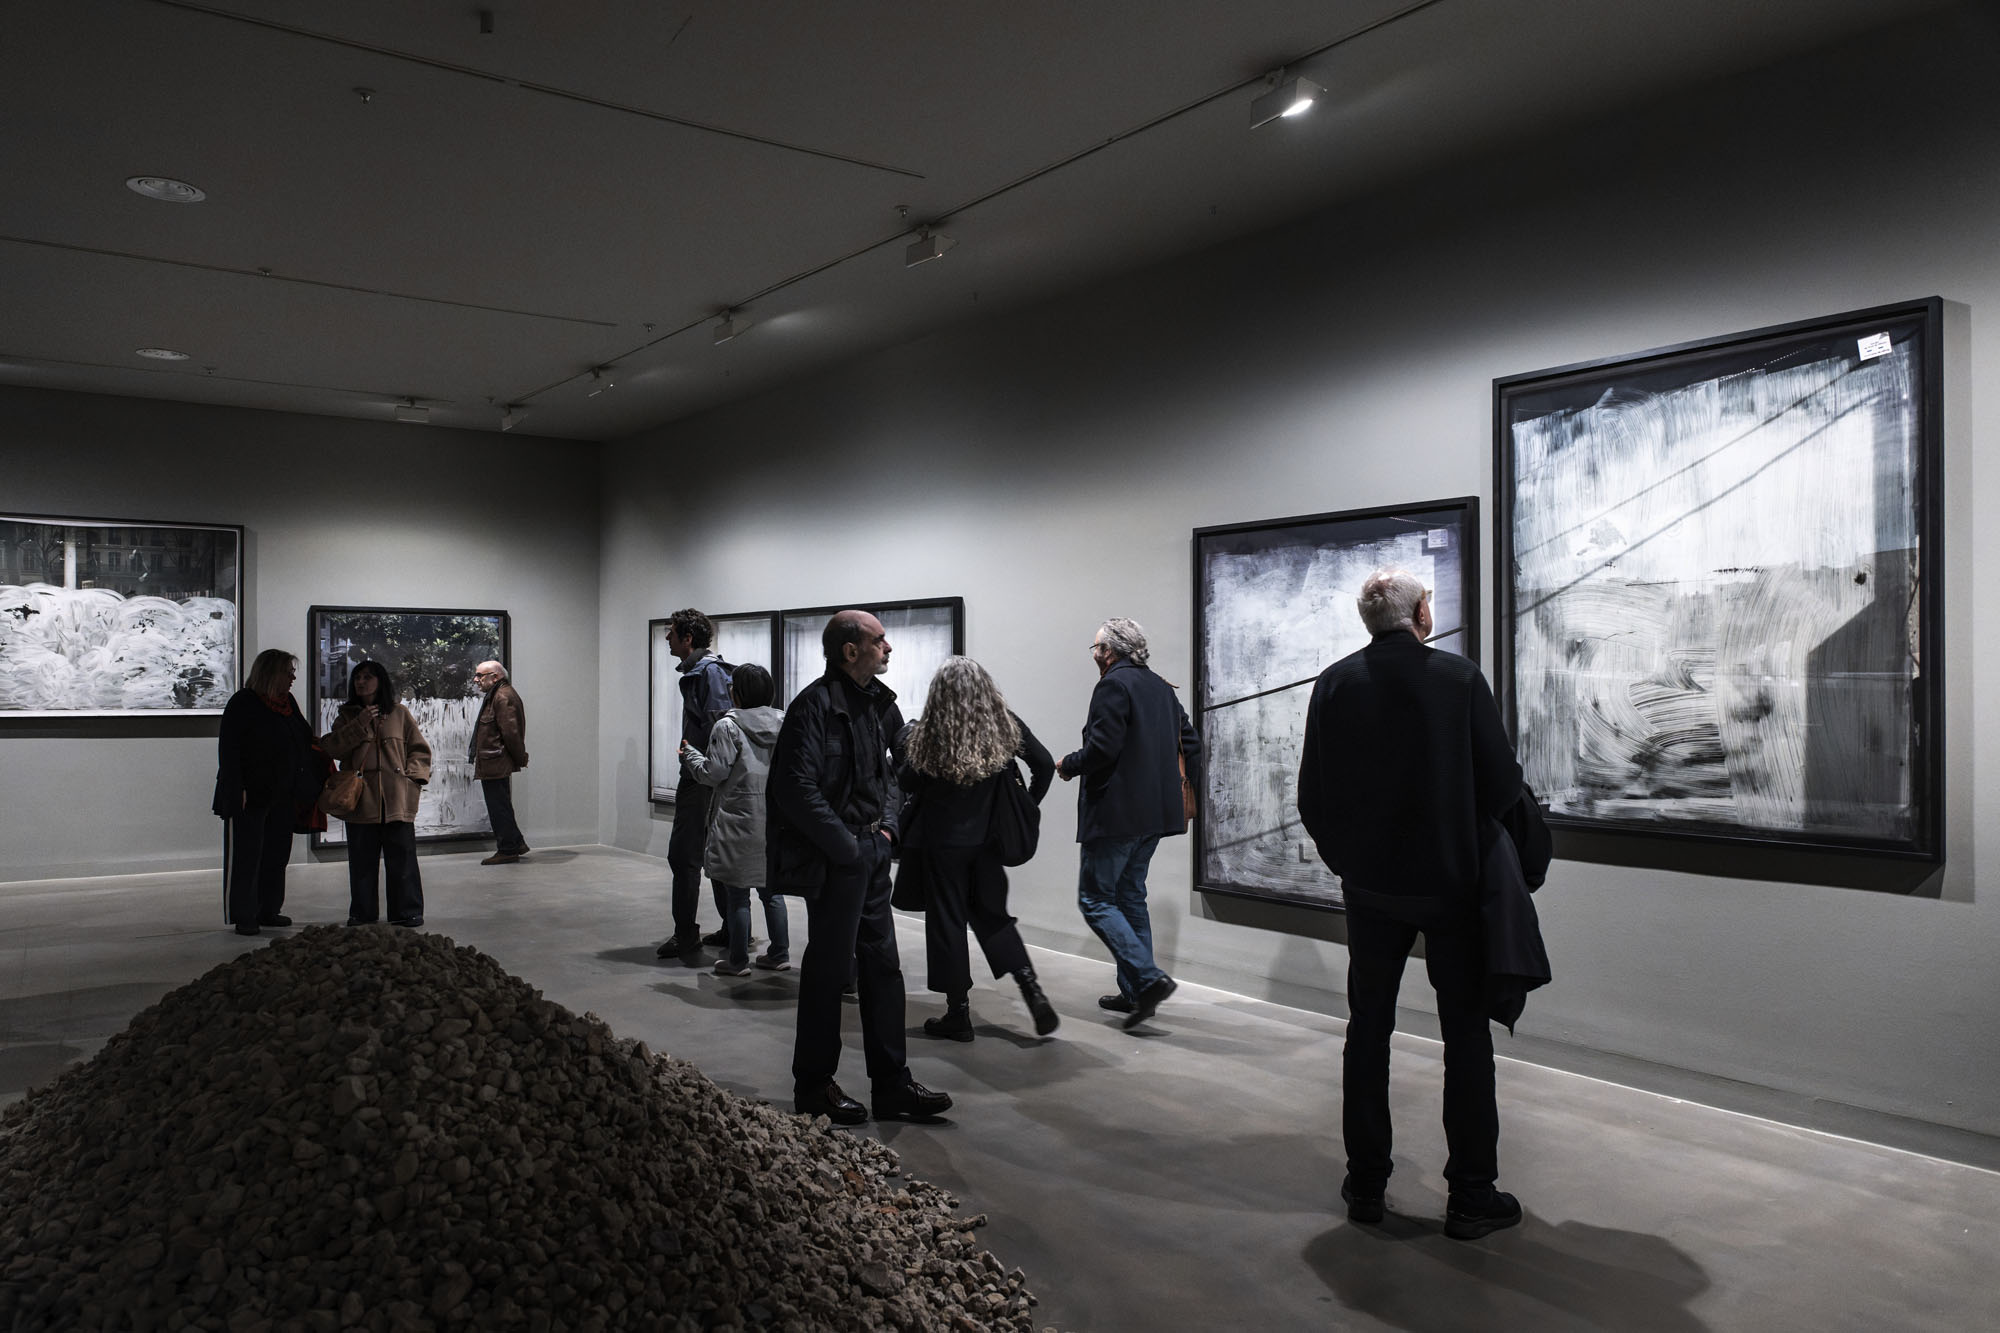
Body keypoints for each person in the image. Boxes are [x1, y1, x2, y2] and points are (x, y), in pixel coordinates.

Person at [1296, 568, 1528, 1240]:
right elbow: (1504, 783)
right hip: (1451, 889)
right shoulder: (1457, 680)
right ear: (1422, 613)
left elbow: (1312, 796)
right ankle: (1470, 1194)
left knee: (1367, 1028)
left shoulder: (1335, 683)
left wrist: (1350, 861)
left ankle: (1366, 1183)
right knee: (1465, 1034)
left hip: (1370, 890)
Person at [768, 609, 952, 1126]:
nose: (888, 647)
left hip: (871, 856)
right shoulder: (813, 707)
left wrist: (888, 829)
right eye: (879, 640)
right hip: (839, 861)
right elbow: (794, 789)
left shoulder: (879, 706)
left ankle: (892, 1085)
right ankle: (814, 1088)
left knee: (883, 969)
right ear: (851, 651)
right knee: (828, 974)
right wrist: (846, 848)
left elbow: (893, 773)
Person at [896, 656, 1058, 1040]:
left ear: (939, 693)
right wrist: (1027, 805)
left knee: (947, 924)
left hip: (942, 845)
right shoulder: (1004, 724)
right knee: (993, 917)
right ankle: (1030, 989)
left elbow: (906, 781)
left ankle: (958, 1014)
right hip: (988, 842)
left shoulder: (932, 732)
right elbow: (1045, 765)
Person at [1055, 617, 1199, 1030]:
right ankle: (1137, 992)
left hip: (1118, 815)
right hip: (1156, 815)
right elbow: (1191, 744)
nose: (1095, 655)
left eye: (1096, 648)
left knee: (1096, 899)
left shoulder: (1112, 685)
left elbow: (1102, 749)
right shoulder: (1160, 687)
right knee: (1130, 896)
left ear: (1110, 651)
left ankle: (1148, 979)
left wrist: (1069, 764)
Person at [682, 662, 790, 977]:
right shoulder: (785, 723)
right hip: (775, 820)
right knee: (772, 892)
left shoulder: (728, 727)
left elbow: (713, 774)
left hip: (738, 821)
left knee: (738, 894)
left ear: (737, 692)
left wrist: (690, 756)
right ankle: (779, 953)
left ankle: (738, 961)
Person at [211, 648, 320, 936]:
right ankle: (244, 914)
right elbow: (230, 751)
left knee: (276, 854)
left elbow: (305, 740)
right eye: (288, 671)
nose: (293, 677)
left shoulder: (287, 704)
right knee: (246, 855)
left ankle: (269, 909)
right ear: (271, 672)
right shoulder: (244, 703)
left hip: (282, 795)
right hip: (251, 796)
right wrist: (237, 789)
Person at [322, 660, 433, 928]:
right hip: (361, 800)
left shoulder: (399, 714)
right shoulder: (347, 716)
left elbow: (419, 749)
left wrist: (413, 778)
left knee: (403, 860)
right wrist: (359, 724)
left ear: (380, 681)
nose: (361, 682)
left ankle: (407, 911)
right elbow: (333, 748)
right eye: (357, 677)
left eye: (368, 677)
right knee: (362, 861)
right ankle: (362, 912)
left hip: (396, 799)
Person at [657, 608, 737, 964]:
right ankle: (733, 928)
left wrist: (697, 759)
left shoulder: (708, 673)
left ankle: (687, 935)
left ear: (688, 638)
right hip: (704, 775)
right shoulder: (702, 672)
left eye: (671, 633)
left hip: (702, 778)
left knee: (685, 855)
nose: (667, 638)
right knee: (707, 854)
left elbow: (721, 726)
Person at [470, 659, 531, 865]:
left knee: (499, 807)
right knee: (501, 805)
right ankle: (517, 843)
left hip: (496, 760)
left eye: (480, 675)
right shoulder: (496, 695)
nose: (475, 679)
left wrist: (520, 757)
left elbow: (512, 733)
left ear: (495, 677)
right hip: (493, 760)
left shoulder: (503, 696)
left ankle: (507, 850)